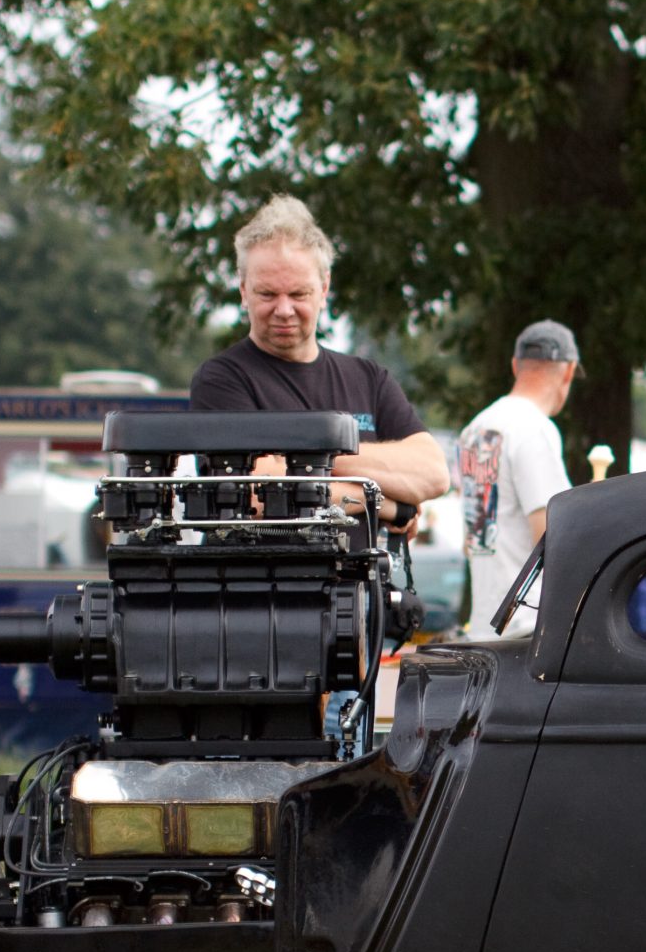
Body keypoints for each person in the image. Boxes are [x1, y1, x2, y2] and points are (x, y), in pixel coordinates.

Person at [187, 196, 449, 520]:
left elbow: (433, 473)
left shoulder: (368, 379)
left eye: (299, 294)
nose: (284, 310)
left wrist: (304, 461)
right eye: (267, 294)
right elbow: (253, 496)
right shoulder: (220, 380)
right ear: (243, 290)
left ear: (324, 289)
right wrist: (386, 503)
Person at [457, 321, 580, 640]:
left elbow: (473, 539)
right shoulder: (534, 428)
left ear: (515, 365)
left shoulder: (475, 429)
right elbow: (554, 534)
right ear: (568, 371)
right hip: (528, 625)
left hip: (485, 627)